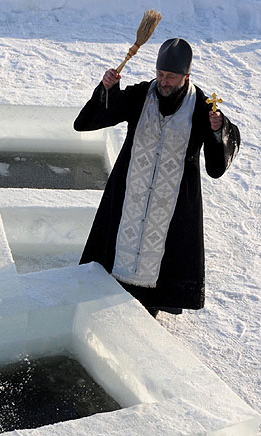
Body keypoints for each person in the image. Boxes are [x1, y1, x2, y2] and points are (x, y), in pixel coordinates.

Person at [74, 37, 241, 316]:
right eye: (160, 74)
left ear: (186, 76)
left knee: (164, 255)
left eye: (171, 77)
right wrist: (108, 89)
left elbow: (217, 165)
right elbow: (88, 122)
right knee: (115, 252)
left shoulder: (202, 106)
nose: (163, 82)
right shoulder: (141, 95)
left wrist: (218, 128)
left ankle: (152, 308)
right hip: (130, 191)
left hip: (172, 202)